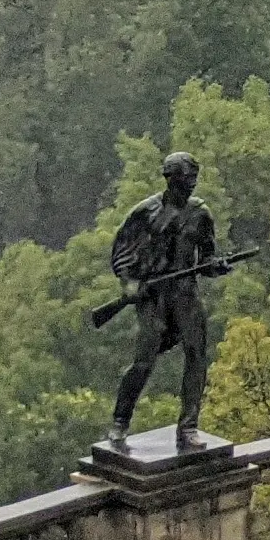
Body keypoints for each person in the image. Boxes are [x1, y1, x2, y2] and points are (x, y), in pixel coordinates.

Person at [107, 151, 224, 443]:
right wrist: (131, 284)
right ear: (171, 179)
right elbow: (121, 255)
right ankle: (120, 420)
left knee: (196, 355)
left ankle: (188, 426)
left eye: (195, 178)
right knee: (143, 362)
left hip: (186, 293)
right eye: (187, 178)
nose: (192, 184)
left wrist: (215, 266)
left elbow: (207, 258)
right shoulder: (145, 213)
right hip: (154, 298)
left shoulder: (200, 214)